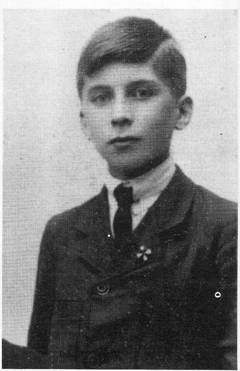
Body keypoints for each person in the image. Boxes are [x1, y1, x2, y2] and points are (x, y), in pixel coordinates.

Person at [27, 16, 237, 369]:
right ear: (84, 123)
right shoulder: (62, 233)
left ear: (181, 112)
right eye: (101, 97)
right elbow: (41, 360)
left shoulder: (224, 228)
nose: (120, 115)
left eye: (141, 93)